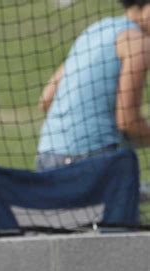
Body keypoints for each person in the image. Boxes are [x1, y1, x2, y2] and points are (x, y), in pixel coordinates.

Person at [36, 0, 150, 171]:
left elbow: (46, 100)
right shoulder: (138, 44)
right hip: (94, 160)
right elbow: (128, 121)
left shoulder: (95, 30)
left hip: (47, 156)